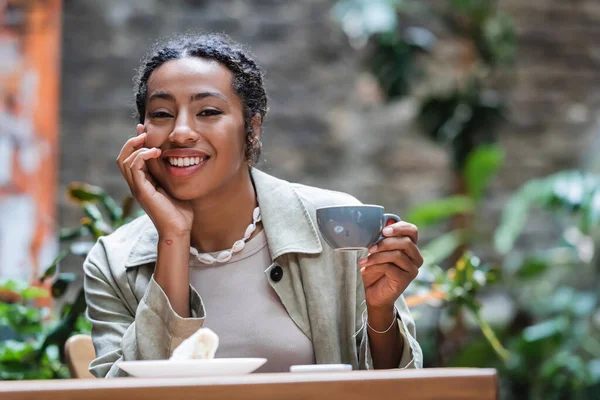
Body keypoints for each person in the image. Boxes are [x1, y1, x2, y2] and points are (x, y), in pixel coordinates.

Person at [84, 33, 424, 378]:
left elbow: (397, 387)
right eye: (161, 114)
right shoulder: (114, 262)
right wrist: (172, 236)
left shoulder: (335, 226)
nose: (181, 132)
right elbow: (120, 393)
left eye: (209, 111)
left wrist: (381, 312)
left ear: (253, 127)